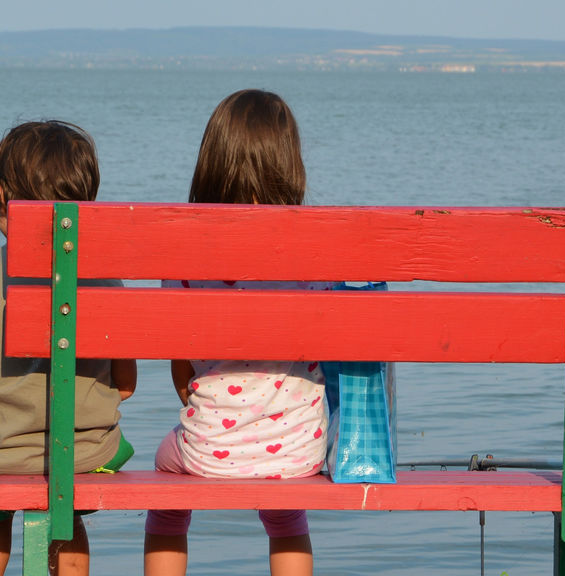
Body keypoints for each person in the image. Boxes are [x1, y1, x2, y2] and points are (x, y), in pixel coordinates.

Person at [143, 89, 328, 576]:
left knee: (164, 481)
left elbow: (177, 363)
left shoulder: (185, 252)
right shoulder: (317, 250)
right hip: (300, 449)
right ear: (289, 164)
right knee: (286, 511)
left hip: (208, 447)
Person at [0, 120, 137, 576]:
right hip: (89, 452)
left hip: (1, 449)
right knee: (63, 506)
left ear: (3, 195)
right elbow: (125, 386)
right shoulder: (108, 281)